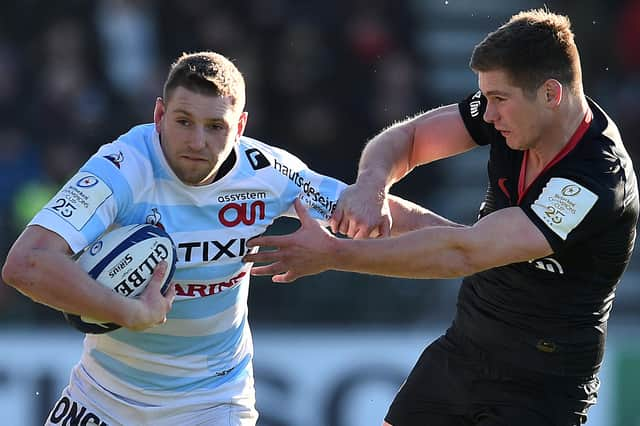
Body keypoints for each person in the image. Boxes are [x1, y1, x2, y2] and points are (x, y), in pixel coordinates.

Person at [244, 9, 639, 426]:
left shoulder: (594, 179)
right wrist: (372, 187)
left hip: (542, 386)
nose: (487, 115)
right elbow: (409, 139)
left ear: (551, 94)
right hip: (464, 351)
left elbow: (464, 252)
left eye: (499, 100)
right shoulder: (514, 116)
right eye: (485, 98)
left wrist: (335, 253)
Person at [1, 51, 354, 425]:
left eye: (216, 126)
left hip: (213, 404)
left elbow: (367, 211)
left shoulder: (268, 173)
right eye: (184, 121)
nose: (197, 141)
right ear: (159, 116)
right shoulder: (123, 166)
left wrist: (367, 234)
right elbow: (26, 263)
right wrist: (128, 312)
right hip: (102, 399)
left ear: (240, 128)